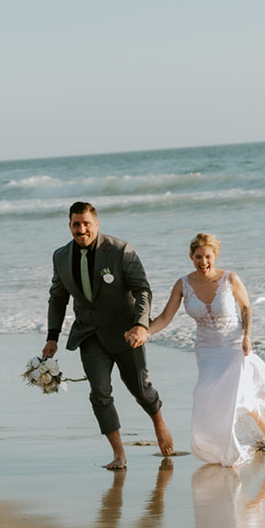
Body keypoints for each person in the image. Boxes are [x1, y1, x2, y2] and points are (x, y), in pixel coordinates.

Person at [138, 233, 265, 466]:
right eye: (198, 257)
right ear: (191, 256)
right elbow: (166, 317)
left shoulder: (230, 279)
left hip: (233, 345)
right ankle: (225, 446)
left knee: (236, 396)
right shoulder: (183, 284)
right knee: (205, 395)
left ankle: (258, 440)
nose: (203, 261)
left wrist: (247, 337)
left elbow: (246, 308)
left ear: (215, 256)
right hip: (207, 350)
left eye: (208, 256)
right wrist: (145, 332)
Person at [44, 201, 174, 469]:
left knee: (140, 388)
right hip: (89, 334)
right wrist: (52, 336)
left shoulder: (120, 250)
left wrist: (141, 325)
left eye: (86, 224)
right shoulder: (60, 256)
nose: (82, 230)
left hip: (127, 333)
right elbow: (57, 298)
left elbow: (143, 290)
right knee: (99, 393)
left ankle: (158, 421)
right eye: (76, 224)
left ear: (97, 224)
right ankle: (119, 453)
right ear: (69, 226)